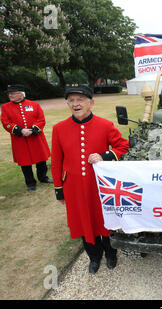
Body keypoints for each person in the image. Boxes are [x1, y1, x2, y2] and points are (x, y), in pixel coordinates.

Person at [51, 84, 129, 274]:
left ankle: (111, 254)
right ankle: (94, 258)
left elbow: (123, 146)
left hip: (100, 187)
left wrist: (106, 155)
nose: (76, 104)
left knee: (105, 221)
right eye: (72, 100)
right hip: (74, 188)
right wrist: (58, 188)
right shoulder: (59, 129)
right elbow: (56, 161)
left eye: (80, 100)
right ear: (67, 103)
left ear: (91, 103)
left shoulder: (105, 125)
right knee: (84, 223)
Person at [1, 84, 52, 191]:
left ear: (21, 94)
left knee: (41, 159)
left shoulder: (34, 105)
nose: (10, 95)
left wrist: (33, 130)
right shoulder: (5, 107)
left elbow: (41, 119)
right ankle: (30, 183)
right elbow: (6, 123)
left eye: (13, 93)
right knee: (25, 161)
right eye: (9, 93)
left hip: (35, 137)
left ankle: (43, 177)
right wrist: (20, 130)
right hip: (19, 139)